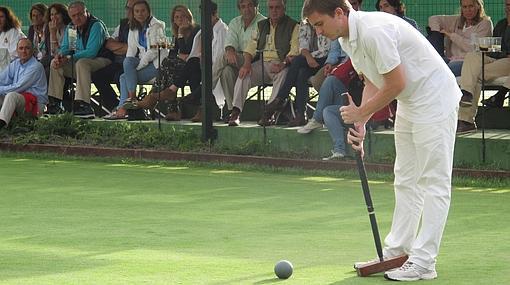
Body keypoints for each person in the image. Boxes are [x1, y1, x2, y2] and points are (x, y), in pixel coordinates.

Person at [304, 0, 461, 281]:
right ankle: (397, 252)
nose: (319, 32)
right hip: (411, 101)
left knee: (433, 181)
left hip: (435, 98)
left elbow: (396, 82)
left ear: (339, 13)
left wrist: (360, 112)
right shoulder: (348, 37)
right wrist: (361, 122)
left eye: (319, 24)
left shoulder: (374, 31)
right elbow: (374, 80)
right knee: (405, 177)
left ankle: (424, 261)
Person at [228, 0, 299, 126]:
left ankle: (269, 113)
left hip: (282, 64)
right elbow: (251, 47)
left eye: (278, 7)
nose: (274, 11)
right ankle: (236, 113)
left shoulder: (293, 26)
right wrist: (246, 64)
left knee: (284, 74)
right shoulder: (261, 25)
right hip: (262, 64)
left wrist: (282, 64)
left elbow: (295, 50)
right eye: (271, 8)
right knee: (243, 74)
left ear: (284, 8)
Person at [129, 4, 201, 122]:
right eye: (176, 17)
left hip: (195, 65)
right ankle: (167, 103)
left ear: (189, 17)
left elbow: (187, 51)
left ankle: (156, 100)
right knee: (168, 64)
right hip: (181, 66)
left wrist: (181, 33)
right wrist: (180, 48)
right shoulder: (176, 34)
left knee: (168, 65)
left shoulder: (196, 30)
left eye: (182, 16)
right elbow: (174, 54)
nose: (179, 20)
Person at [45, 1, 112, 119]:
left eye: (80, 14)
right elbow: (68, 48)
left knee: (82, 63)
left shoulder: (96, 25)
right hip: (80, 64)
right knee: (55, 64)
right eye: (74, 16)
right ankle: (55, 104)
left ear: (86, 12)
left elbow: (91, 52)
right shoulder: (72, 27)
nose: (77, 18)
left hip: (102, 60)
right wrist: (60, 56)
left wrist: (69, 58)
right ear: (70, 16)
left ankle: (84, 106)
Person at [261, 19, 331, 127]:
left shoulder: (326, 21)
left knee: (297, 61)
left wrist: (307, 57)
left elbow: (325, 50)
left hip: (325, 59)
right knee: (301, 72)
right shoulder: (305, 23)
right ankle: (301, 115)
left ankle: (280, 98)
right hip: (308, 61)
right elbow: (302, 47)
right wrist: (308, 57)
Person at [457, 0, 510, 133]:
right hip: (497, 59)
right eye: (507, 5)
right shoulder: (501, 24)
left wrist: (500, 51)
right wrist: (477, 44)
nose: (508, 8)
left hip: (507, 63)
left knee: (475, 74)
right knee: (472, 56)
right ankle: (466, 94)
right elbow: (494, 47)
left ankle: (466, 120)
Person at [108, 0, 166, 120]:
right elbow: (131, 49)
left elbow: (154, 51)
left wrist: (138, 67)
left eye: (143, 11)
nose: (140, 14)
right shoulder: (132, 27)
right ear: (133, 13)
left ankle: (124, 107)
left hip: (157, 63)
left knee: (123, 77)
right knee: (128, 61)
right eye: (137, 11)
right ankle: (130, 101)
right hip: (141, 60)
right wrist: (131, 66)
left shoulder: (157, 25)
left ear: (149, 12)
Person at [212, 0, 266, 119]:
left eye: (250, 5)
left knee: (222, 56)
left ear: (257, 6)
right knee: (226, 71)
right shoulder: (235, 22)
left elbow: (258, 49)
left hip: (255, 61)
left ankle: (205, 90)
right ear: (239, 9)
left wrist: (230, 53)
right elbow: (230, 43)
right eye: (243, 6)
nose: (247, 9)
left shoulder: (263, 22)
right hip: (238, 59)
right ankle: (232, 111)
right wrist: (230, 50)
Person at [176, 1, 228, 122]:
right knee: (193, 64)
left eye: (207, 15)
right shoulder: (201, 32)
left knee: (194, 66)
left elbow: (220, 56)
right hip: (202, 65)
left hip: (215, 67)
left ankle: (194, 99)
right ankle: (201, 106)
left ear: (215, 14)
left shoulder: (222, 31)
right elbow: (194, 53)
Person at [427, 0, 492, 77]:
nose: (468, 10)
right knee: (432, 66)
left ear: (478, 6)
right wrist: (438, 34)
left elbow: (475, 48)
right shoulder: (457, 20)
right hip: (450, 59)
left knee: (443, 71)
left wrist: (451, 35)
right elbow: (433, 19)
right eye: (465, 7)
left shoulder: (485, 23)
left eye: (471, 6)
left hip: (470, 62)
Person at [92, 0, 133, 115]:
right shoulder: (123, 25)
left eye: (133, 8)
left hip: (136, 63)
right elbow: (109, 43)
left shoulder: (149, 25)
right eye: (128, 8)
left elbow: (137, 49)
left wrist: (121, 48)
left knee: (119, 76)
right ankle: (114, 106)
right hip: (119, 62)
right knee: (97, 75)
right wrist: (126, 47)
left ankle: (129, 108)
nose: (130, 11)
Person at [0, 38, 47, 129]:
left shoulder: (36, 66)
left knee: (11, 95)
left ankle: (1, 125)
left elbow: (18, 87)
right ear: (17, 51)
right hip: (21, 101)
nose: (24, 51)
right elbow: (2, 79)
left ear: (32, 50)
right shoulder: (15, 64)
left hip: (35, 105)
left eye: (27, 48)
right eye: (21, 48)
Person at [43, 3, 72, 78]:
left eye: (57, 14)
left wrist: (53, 34)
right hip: (54, 58)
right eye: (52, 14)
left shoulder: (70, 29)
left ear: (63, 15)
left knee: (46, 69)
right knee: (40, 65)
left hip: (66, 60)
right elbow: (52, 51)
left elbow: (59, 53)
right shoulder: (50, 27)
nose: (54, 17)